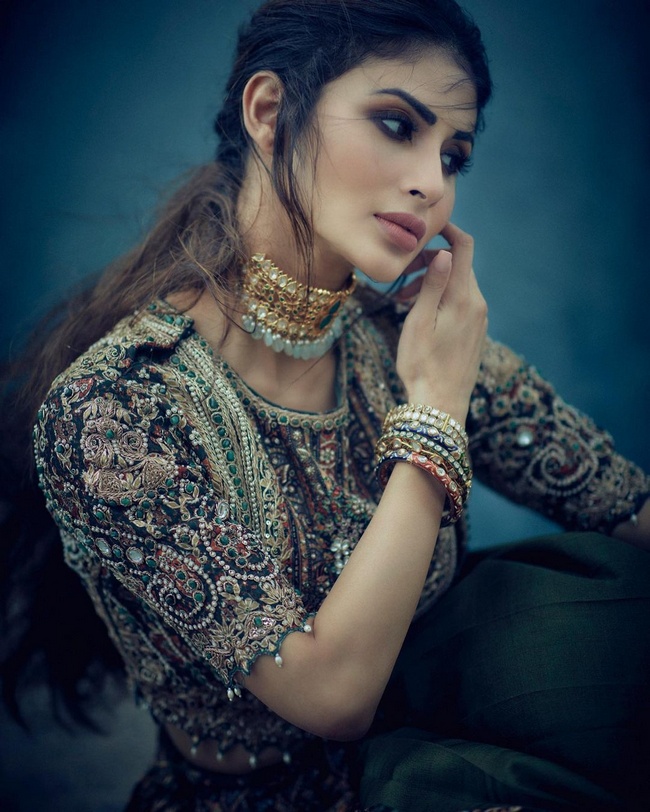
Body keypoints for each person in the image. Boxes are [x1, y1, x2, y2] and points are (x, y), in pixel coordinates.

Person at [1, 1, 649, 810]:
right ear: (270, 111)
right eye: (395, 124)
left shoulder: (401, 341)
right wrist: (435, 414)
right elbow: (333, 698)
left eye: (454, 156)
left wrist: (439, 388)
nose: (432, 183)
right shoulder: (114, 409)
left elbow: (626, 508)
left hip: (445, 764)